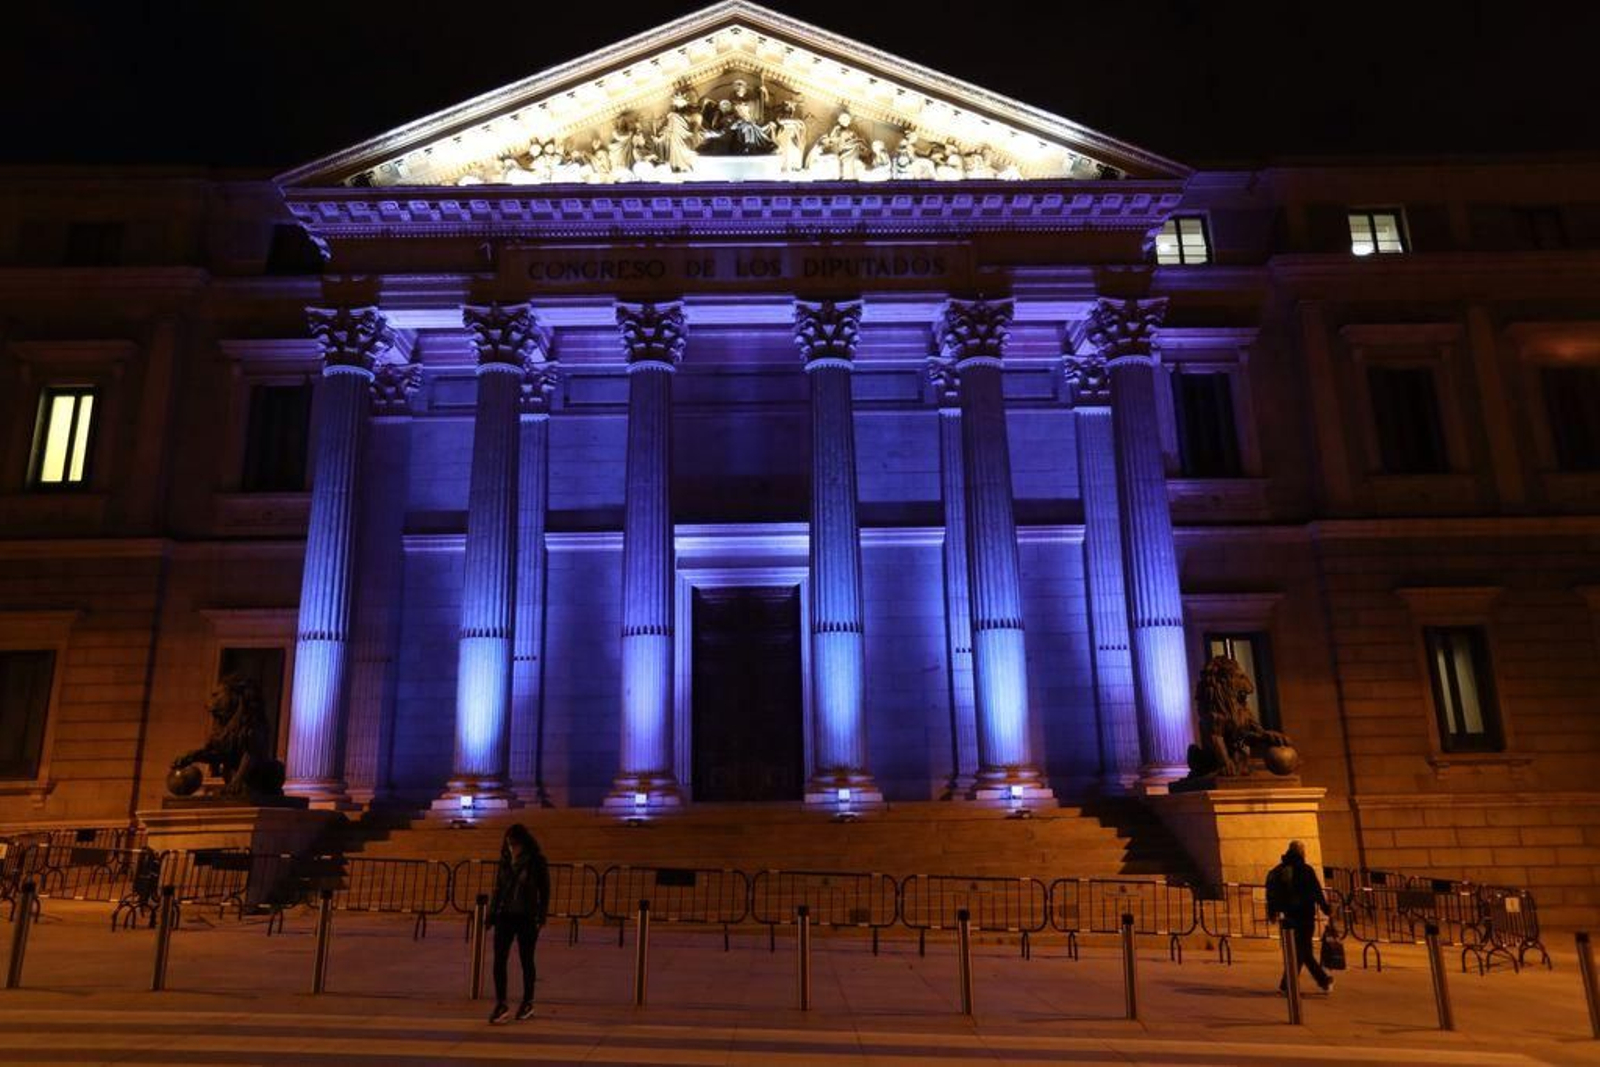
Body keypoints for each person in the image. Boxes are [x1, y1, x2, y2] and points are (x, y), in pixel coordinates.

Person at [487, 823, 550, 1024]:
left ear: (524, 843)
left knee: (526, 960)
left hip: (526, 916)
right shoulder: (505, 861)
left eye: (514, 844)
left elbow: (545, 890)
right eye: (508, 844)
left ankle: (528, 1001)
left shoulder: (536, 862)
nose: (511, 848)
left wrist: (541, 915)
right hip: (505, 916)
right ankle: (501, 1003)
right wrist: (490, 914)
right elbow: (498, 888)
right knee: (499, 960)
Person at [1266, 840, 1335, 994]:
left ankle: (1291, 984)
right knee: (1302, 951)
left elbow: (1272, 891)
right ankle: (1317, 981)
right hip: (1305, 916)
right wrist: (1326, 908)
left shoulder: (1279, 870)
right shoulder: (1306, 870)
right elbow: (1316, 891)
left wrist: (1272, 911)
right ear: (1302, 853)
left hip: (1287, 917)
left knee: (1300, 951)